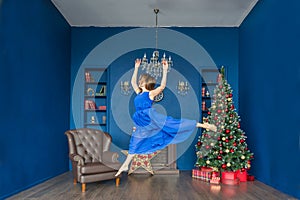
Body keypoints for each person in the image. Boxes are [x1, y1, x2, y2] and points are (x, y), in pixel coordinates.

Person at [115, 58, 217, 177]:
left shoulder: (150, 93)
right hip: (141, 121)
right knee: (135, 141)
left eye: (140, 80)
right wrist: (136, 68)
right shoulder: (139, 92)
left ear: (144, 82)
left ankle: (201, 125)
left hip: (150, 117)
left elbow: (162, 86)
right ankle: (126, 164)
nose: (138, 81)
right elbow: (132, 82)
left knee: (173, 123)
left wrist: (164, 70)